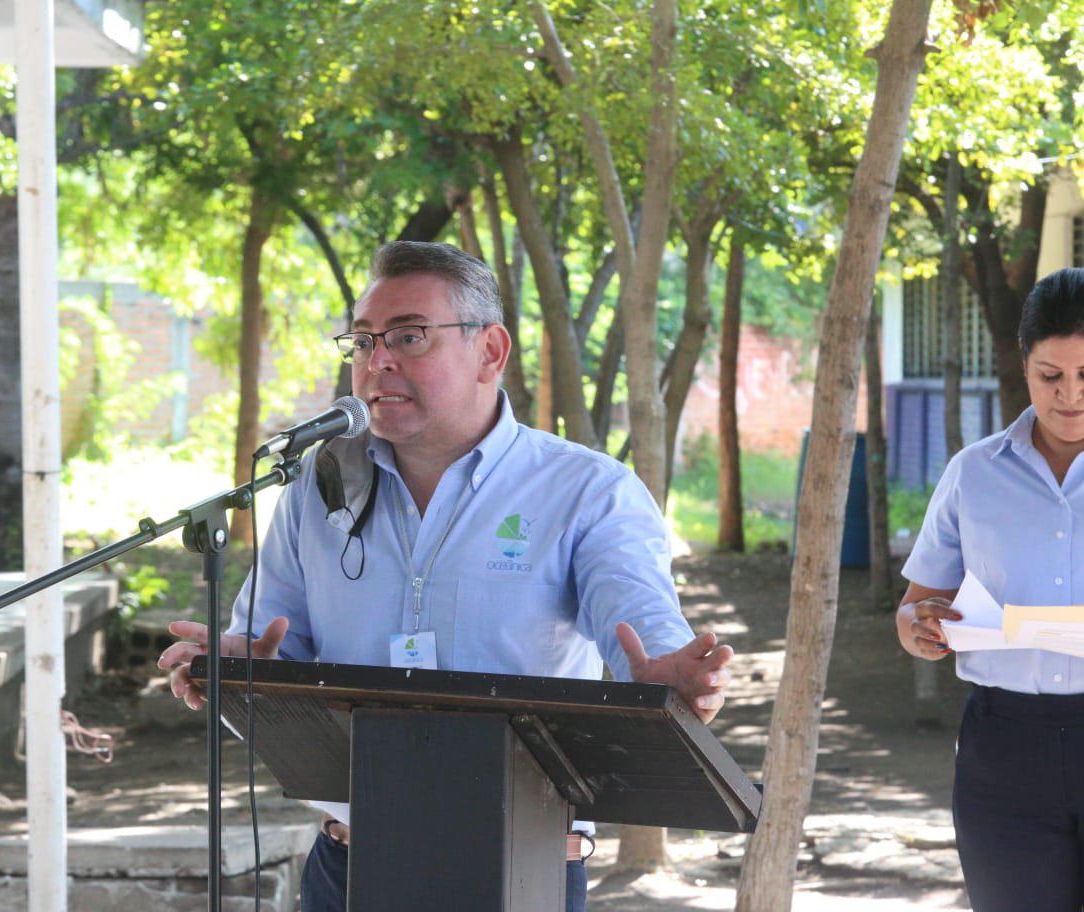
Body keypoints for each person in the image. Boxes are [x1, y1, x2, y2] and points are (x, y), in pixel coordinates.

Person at [159, 240, 734, 912]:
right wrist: (241, 676)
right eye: (364, 341)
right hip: (352, 867)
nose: (379, 361)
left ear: (490, 351)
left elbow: (647, 634)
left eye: (409, 336)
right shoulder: (317, 491)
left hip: (519, 870)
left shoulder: (586, 491)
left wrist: (665, 685)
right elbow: (267, 643)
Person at [896, 267, 1084, 912]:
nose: (1071, 396)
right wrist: (918, 628)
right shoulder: (973, 473)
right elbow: (917, 605)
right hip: (1003, 751)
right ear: (1024, 365)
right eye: (1050, 376)